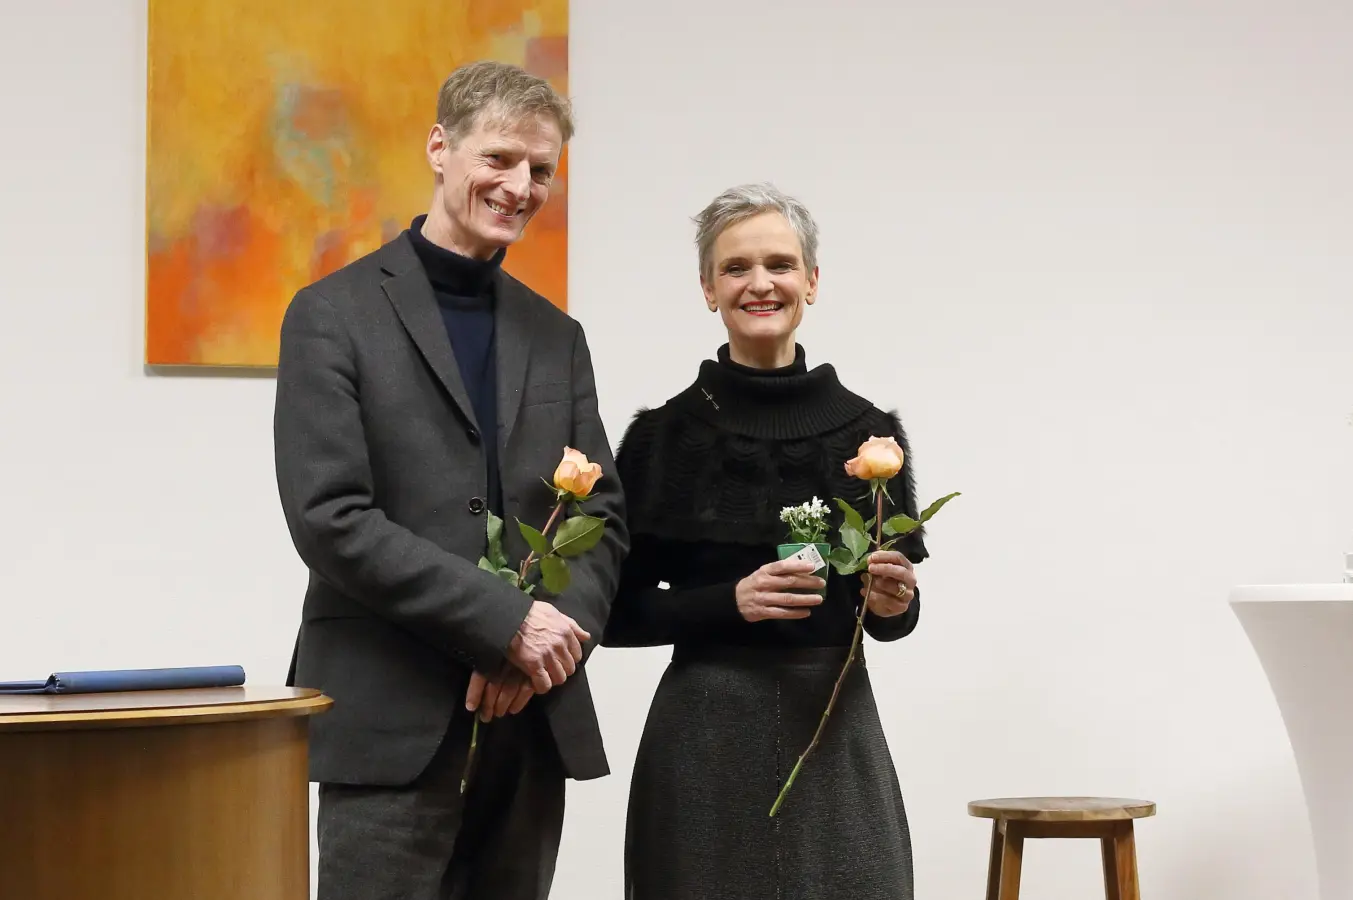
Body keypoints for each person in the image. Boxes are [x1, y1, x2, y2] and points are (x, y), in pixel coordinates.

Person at [272, 60, 627, 900]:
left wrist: (540, 650)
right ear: (440, 147)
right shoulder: (329, 315)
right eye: (499, 158)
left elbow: (604, 518)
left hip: (530, 723)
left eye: (540, 169)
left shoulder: (558, 336)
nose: (520, 186)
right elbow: (330, 517)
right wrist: (505, 624)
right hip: (389, 726)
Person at [605, 182, 926, 899]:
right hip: (703, 738)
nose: (760, 283)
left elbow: (891, 621)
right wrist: (730, 603)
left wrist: (893, 603)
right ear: (708, 288)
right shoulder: (660, 439)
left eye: (780, 264)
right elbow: (612, 615)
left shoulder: (870, 435)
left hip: (834, 729)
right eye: (736, 267)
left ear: (811, 281)